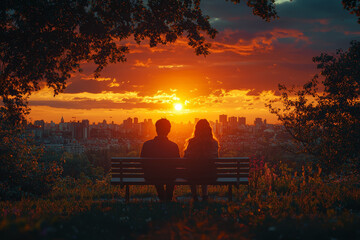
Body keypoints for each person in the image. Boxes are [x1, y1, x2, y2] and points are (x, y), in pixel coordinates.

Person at [140, 118, 180, 201]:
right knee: (169, 174)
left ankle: (162, 196)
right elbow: (177, 164)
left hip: (151, 176)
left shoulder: (147, 145)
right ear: (169, 130)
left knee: (156, 173)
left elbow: (142, 163)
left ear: (156, 129)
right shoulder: (173, 146)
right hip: (170, 176)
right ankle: (168, 197)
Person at [184, 119, 219, 201]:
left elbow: (186, 158)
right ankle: (205, 195)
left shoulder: (191, 142)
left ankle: (195, 196)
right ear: (209, 129)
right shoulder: (214, 143)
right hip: (210, 176)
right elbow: (216, 159)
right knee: (205, 169)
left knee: (194, 170)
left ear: (196, 130)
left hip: (193, 175)